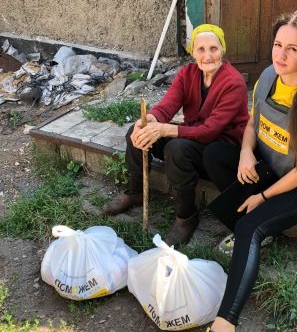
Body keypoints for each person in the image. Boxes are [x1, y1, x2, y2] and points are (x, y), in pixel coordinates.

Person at [183, 10, 297, 332]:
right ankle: (258, 229)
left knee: (250, 226)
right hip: (272, 166)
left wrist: (262, 197)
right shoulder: (267, 77)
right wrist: (246, 154)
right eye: (278, 45)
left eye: (293, 49)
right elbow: (252, 124)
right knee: (216, 155)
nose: (281, 55)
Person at [102, 24, 249, 247]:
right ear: (193, 52)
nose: (208, 56)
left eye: (213, 48)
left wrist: (166, 129)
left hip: (219, 150)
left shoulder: (233, 82)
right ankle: (135, 192)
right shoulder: (187, 74)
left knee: (177, 148)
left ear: (222, 50)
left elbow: (211, 130)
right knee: (137, 131)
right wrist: (150, 119)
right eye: (201, 49)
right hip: (193, 139)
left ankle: (186, 216)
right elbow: (168, 105)